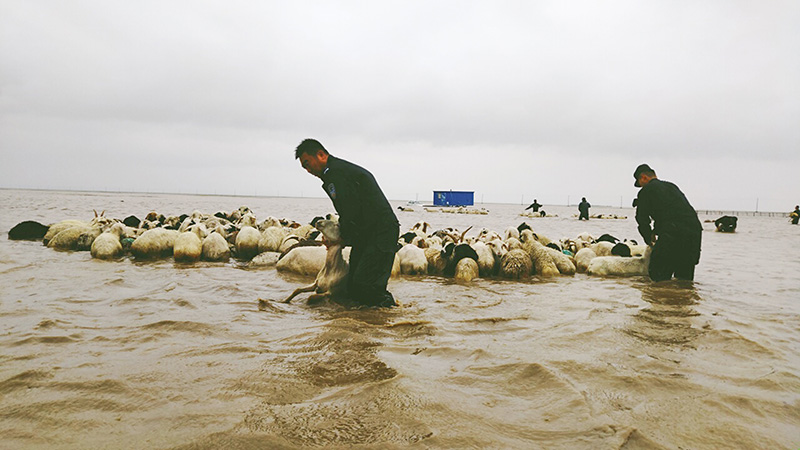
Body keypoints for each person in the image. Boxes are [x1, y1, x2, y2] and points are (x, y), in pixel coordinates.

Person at [295, 138, 400, 307]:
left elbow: (351, 211)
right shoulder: (334, 174)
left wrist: (339, 237)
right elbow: (349, 213)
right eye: (304, 167)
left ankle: (393, 318)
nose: (308, 170)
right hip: (365, 232)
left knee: (367, 285)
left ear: (321, 154)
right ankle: (368, 326)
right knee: (352, 286)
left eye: (308, 163)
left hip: (381, 231)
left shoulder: (338, 174)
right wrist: (340, 236)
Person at [633, 163, 702, 281]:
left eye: (640, 184)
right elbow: (674, 211)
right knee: (684, 280)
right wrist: (657, 230)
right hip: (694, 234)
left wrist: (648, 239)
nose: (641, 187)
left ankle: (661, 297)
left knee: (658, 277)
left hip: (673, 233)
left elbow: (642, 219)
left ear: (643, 177)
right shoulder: (672, 187)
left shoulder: (646, 191)